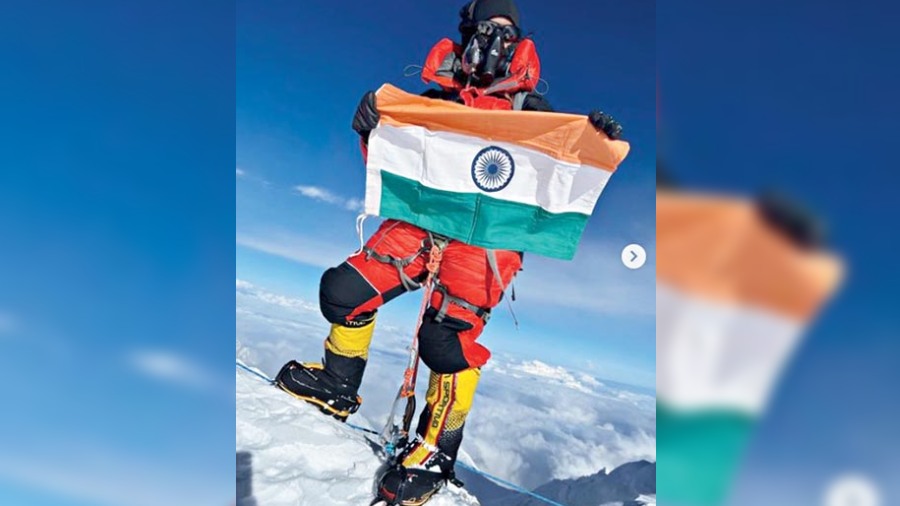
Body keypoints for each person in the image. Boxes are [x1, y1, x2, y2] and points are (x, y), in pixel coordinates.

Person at [275, 1, 622, 504]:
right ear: (465, 35)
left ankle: (438, 449)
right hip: (419, 226)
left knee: (447, 343)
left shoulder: (538, 118)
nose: (494, 40)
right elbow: (395, 166)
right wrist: (371, 128)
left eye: (505, 32)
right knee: (344, 291)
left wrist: (595, 145)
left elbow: (563, 184)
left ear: (520, 44)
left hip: (485, 244)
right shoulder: (433, 101)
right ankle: (336, 385)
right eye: (485, 29)